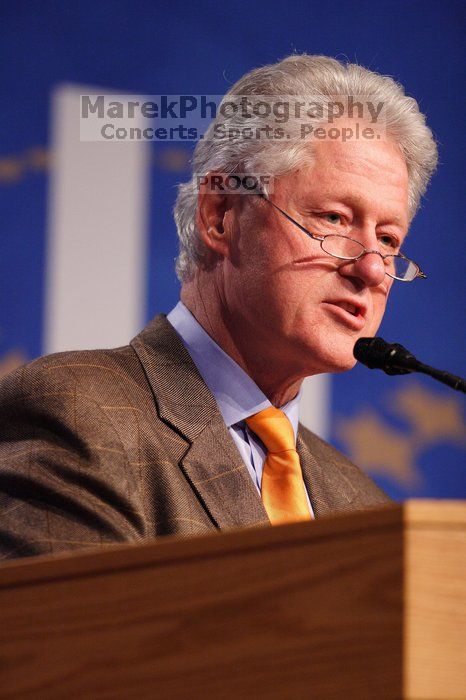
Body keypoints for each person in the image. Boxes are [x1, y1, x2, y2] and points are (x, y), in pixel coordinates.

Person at [0, 55, 437, 559]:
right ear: (221, 217)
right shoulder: (79, 415)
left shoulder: (364, 507)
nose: (373, 270)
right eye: (335, 218)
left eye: (388, 238)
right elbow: (79, 637)